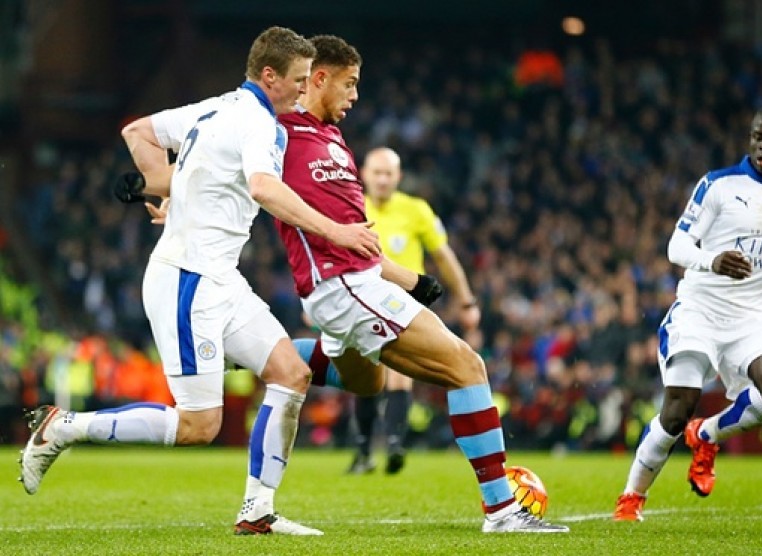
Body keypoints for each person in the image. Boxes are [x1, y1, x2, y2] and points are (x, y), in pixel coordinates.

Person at [18, 26, 381, 537]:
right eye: (299, 80)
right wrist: (336, 231)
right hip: (188, 279)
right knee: (198, 427)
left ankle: (258, 511)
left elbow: (137, 134)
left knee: (289, 373)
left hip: (219, 278)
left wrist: (177, 194)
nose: (305, 90)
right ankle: (66, 427)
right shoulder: (261, 125)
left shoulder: (215, 108)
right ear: (270, 76)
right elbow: (263, 187)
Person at [274, 34, 568, 533]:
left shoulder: (332, 140)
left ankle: (262, 350)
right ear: (318, 78)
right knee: (466, 366)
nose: (355, 96)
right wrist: (171, 190)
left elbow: (357, 236)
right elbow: (233, 173)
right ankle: (501, 509)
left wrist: (410, 277)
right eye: (350, 84)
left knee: (364, 381)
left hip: (355, 286)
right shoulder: (278, 133)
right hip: (346, 287)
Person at [613, 103, 762, 522]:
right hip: (698, 312)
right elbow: (675, 247)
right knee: (677, 408)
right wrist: (712, 260)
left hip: (752, 320)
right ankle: (631, 497)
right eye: (758, 137)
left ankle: (707, 435)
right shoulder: (717, 185)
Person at [346, 146, 481, 475]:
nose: (381, 179)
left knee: (399, 376)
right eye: (376, 172)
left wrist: (466, 299)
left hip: (404, 302)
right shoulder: (351, 207)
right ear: (364, 174)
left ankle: (393, 444)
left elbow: (444, 256)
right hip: (362, 300)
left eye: (388, 173)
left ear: (399, 177)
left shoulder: (416, 210)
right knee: (366, 377)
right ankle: (365, 450)